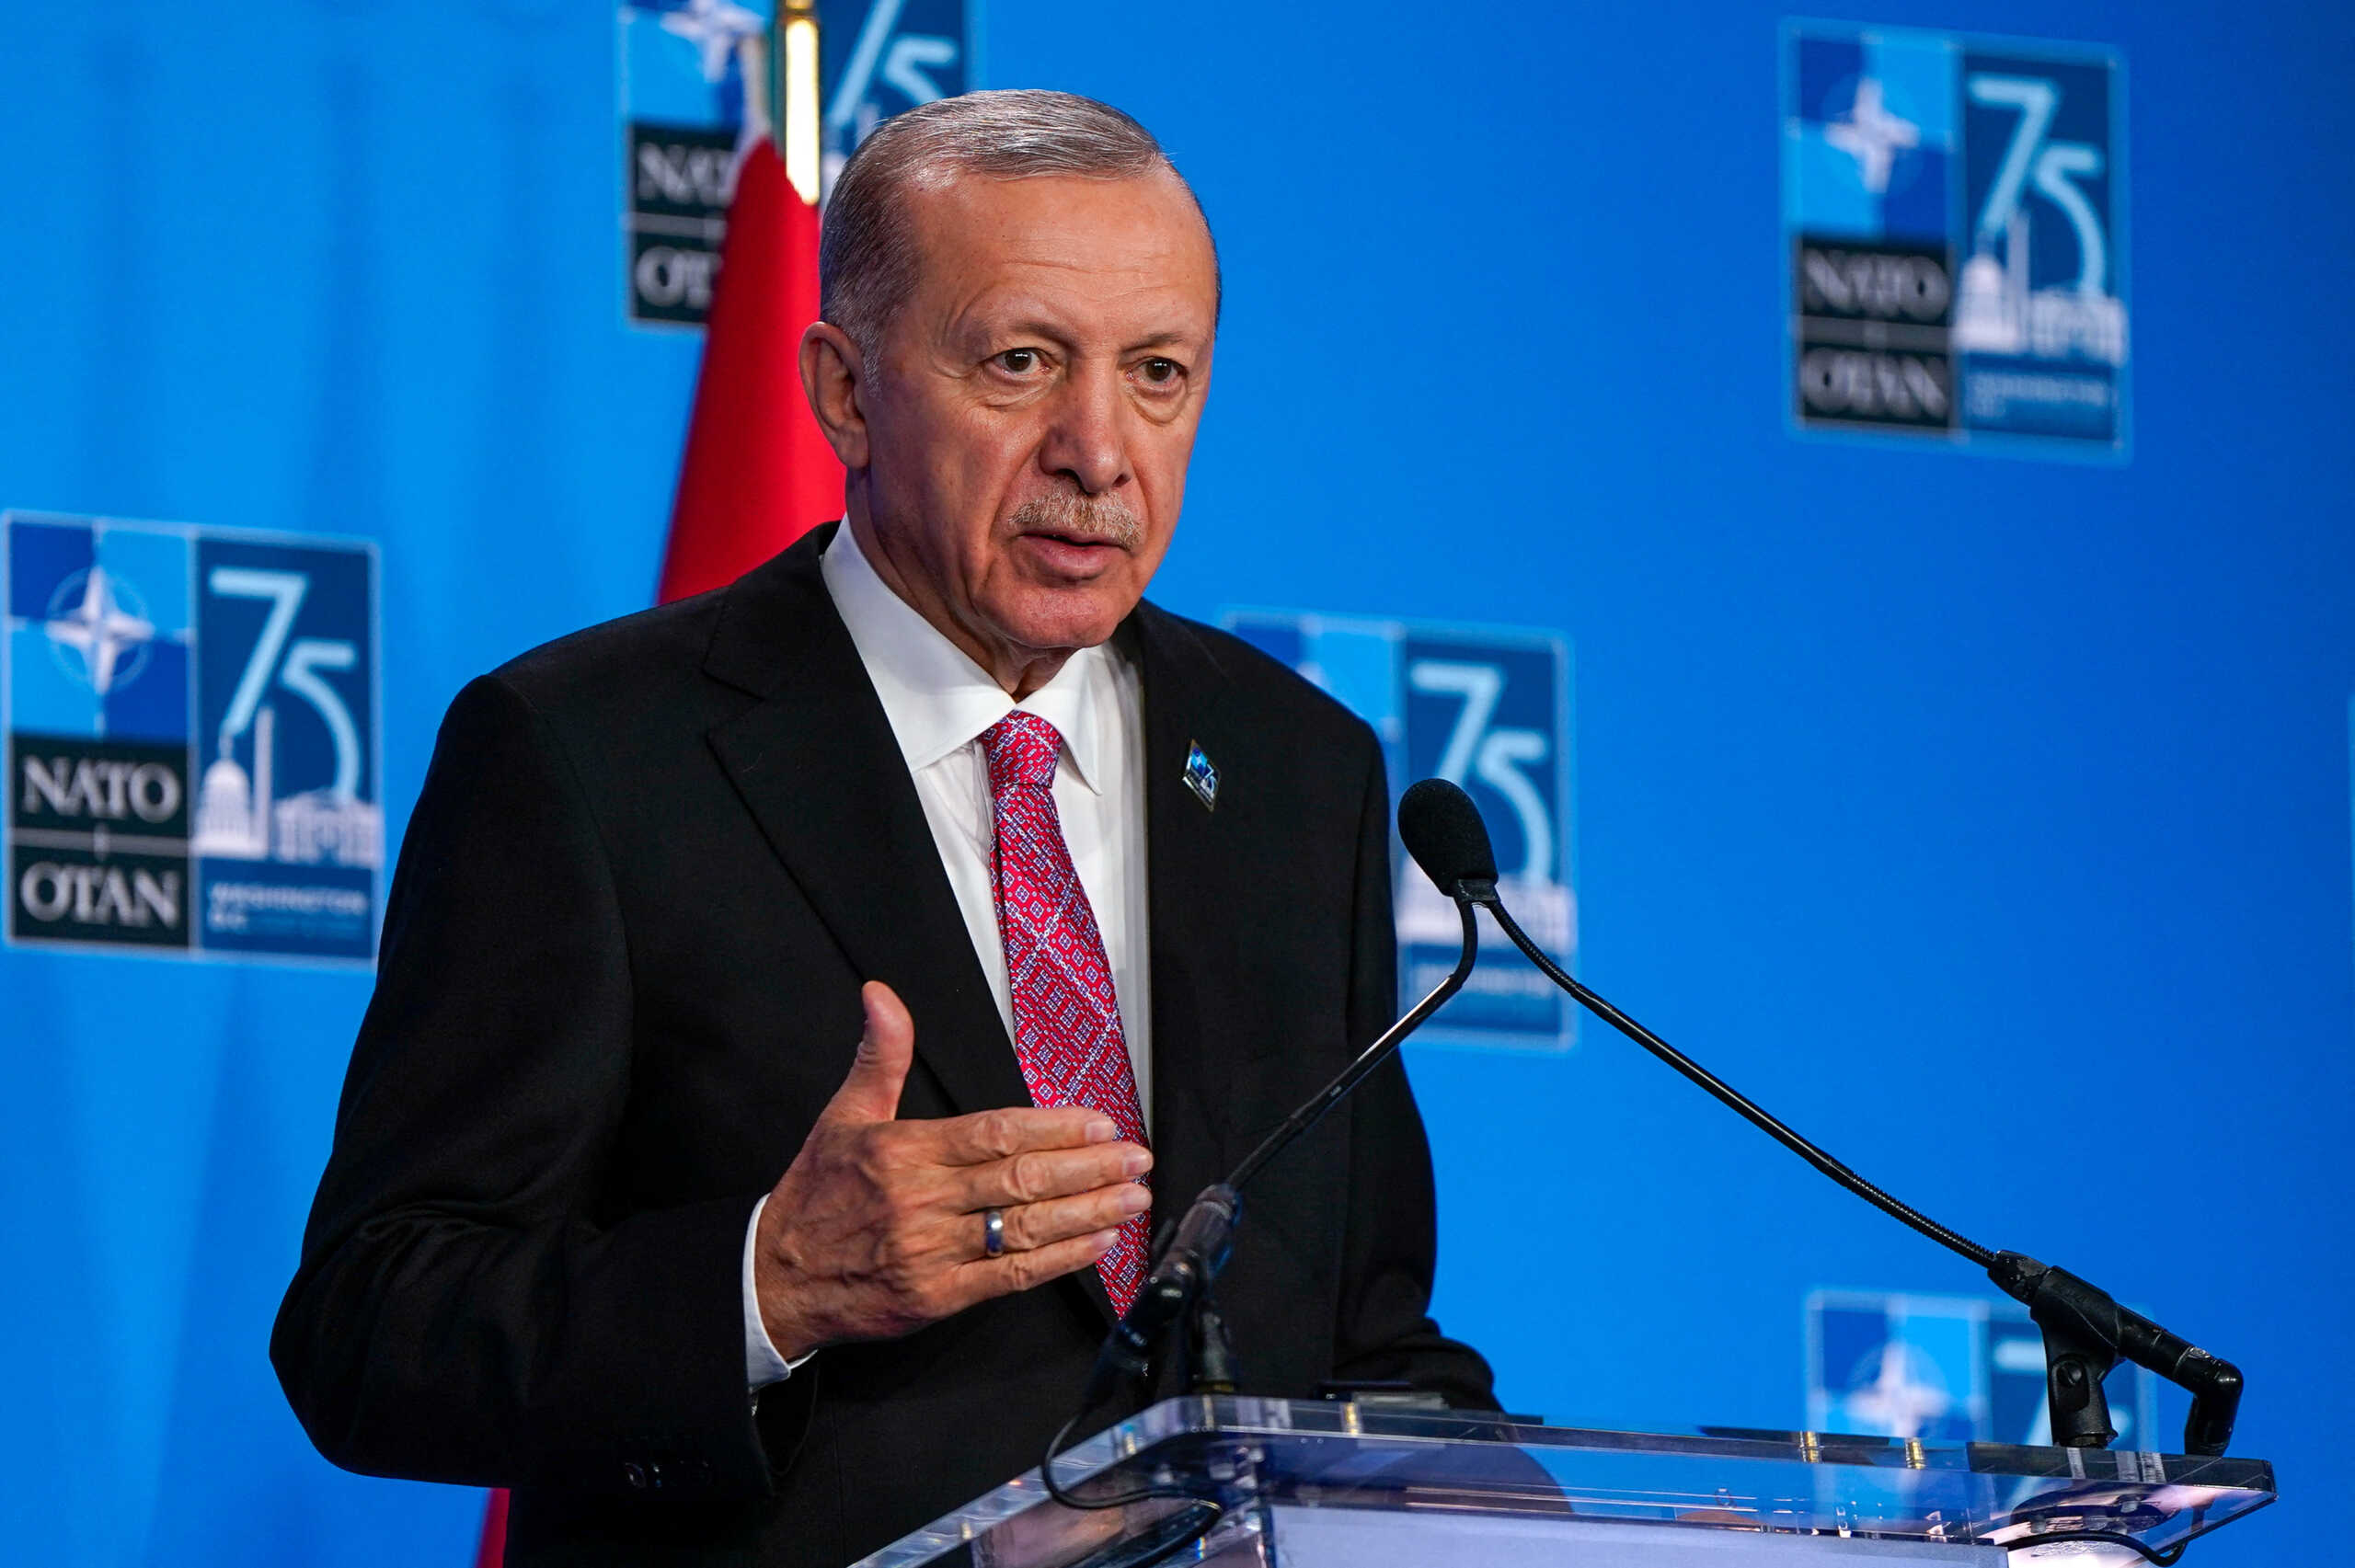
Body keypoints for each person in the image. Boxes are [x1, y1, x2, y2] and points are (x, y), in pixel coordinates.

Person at [272, 89, 1493, 1567]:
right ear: (846, 391)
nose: (1099, 451)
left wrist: (1502, 1500)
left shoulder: (1300, 771)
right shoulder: (593, 755)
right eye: (1023, 362)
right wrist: (767, 1282)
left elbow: (1361, 1329)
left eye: (1158, 373)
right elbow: (371, 1321)